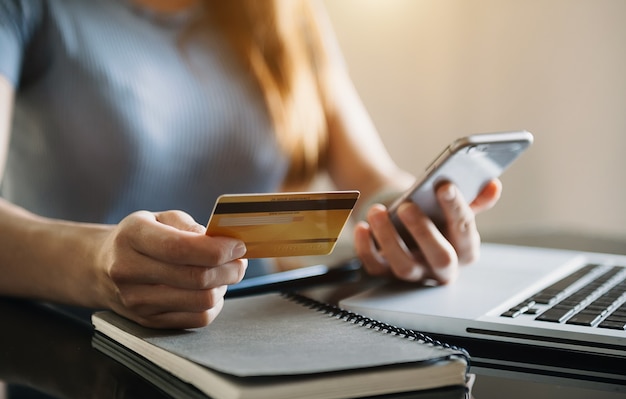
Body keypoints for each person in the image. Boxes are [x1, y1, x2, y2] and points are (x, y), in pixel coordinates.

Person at [0, 0, 501, 330]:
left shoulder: (287, 13)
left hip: (263, 345)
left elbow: (369, 179)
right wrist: (97, 263)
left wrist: (414, 215)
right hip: (72, 355)